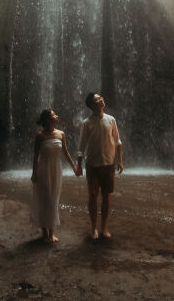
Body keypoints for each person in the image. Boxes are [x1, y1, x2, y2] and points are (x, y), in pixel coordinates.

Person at [77, 92, 123, 239]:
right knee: (92, 195)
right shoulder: (86, 123)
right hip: (92, 165)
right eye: (97, 100)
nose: (101, 100)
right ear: (92, 105)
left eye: (101, 98)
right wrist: (79, 165)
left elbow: (118, 141)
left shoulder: (111, 120)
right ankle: (93, 228)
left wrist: (120, 160)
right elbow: (81, 146)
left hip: (109, 164)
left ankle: (104, 228)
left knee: (106, 197)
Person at [31, 109, 80, 243]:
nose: (57, 116)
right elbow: (36, 157)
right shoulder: (40, 136)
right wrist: (34, 173)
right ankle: (44, 231)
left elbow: (66, 153)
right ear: (48, 119)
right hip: (43, 169)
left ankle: (51, 233)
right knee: (45, 199)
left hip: (56, 169)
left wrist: (74, 167)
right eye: (54, 114)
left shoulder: (61, 134)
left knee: (54, 199)